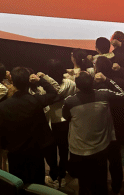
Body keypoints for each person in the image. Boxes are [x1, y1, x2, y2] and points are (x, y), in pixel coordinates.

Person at [62, 71, 124, 195]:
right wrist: (106, 79)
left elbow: (65, 116)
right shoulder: (104, 94)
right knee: (101, 181)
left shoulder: (69, 101)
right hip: (100, 147)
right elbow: (122, 94)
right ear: (92, 82)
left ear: (76, 85)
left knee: (83, 182)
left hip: (78, 148)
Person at [0, 67, 57, 186]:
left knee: (18, 185)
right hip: (35, 152)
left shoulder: (3, 106)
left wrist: (4, 147)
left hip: (15, 153)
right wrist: (40, 80)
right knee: (37, 187)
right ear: (28, 82)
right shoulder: (36, 100)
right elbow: (53, 93)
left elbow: (0, 130)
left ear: (13, 83)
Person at [94, 56, 124, 194]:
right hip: (115, 128)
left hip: (100, 128)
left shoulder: (93, 85)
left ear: (97, 69)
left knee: (101, 160)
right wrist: (121, 70)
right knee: (115, 158)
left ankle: (101, 189)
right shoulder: (117, 82)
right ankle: (116, 188)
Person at [42, 59, 76, 190]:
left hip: (50, 121)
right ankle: (62, 176)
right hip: (64, 120)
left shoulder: (44, 87)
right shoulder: (70, 83)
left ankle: (53, 176)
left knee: (50, 150)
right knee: (63, 149)